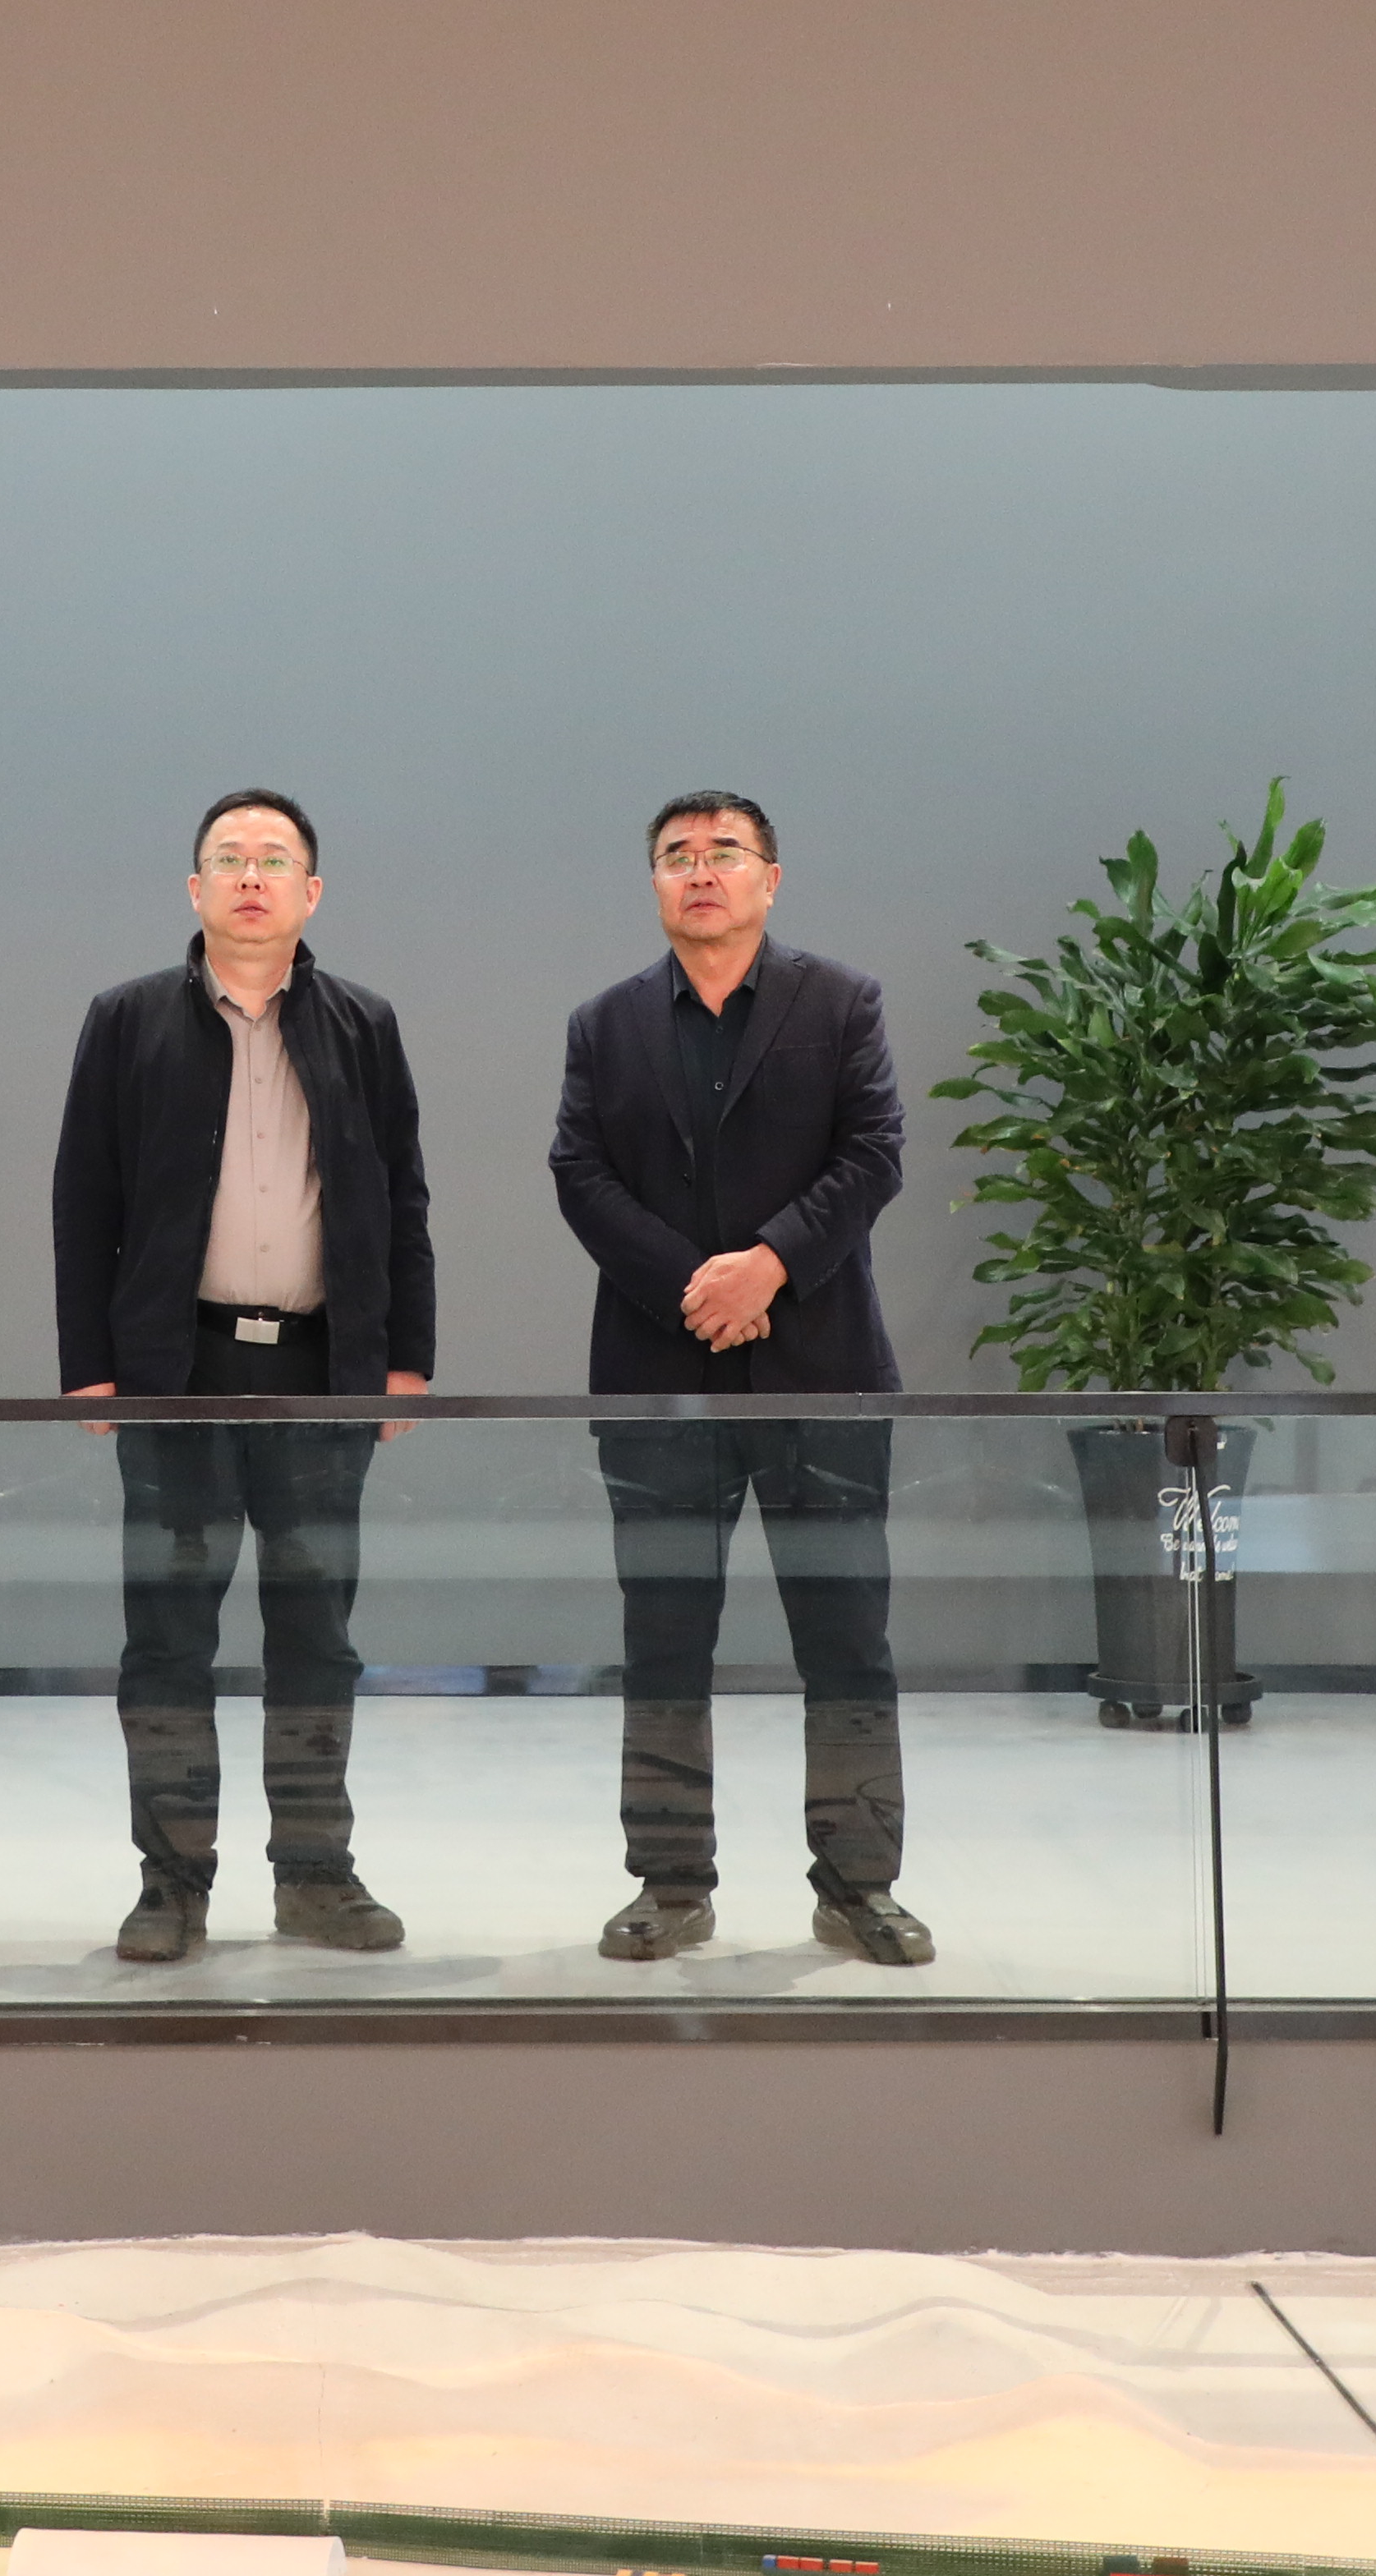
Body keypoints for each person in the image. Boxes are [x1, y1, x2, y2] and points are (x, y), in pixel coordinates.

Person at [50, 789, 437, 1963]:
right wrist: (91, 1368)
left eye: (275, 860)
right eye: (230, 859)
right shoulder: (127, 1019)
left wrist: (405, 1360)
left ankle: (316, 1874)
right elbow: (84, 1198)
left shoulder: (364, 1025)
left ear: (311, 892)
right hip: (177, 1372)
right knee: (168, 1638)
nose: (252, 876)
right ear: (196, 888)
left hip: (323, 1373)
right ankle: (171, 1883)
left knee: (317, 1637)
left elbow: (403, 1196)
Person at [547, 791, 927, 1967]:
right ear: (655, 882)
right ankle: (669, 1885)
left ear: (770, 877)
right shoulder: (605, 1024)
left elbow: (875, 1154)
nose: (700, 872)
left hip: (822, 1374)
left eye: (725, 853)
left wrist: (767, 1266)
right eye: (677, 856)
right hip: (658, 1380)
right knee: (665, 1642)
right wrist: (693, 1288)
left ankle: (859, 1887)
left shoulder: (841, 1001)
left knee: (847, 1642)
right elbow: (579, 1174)